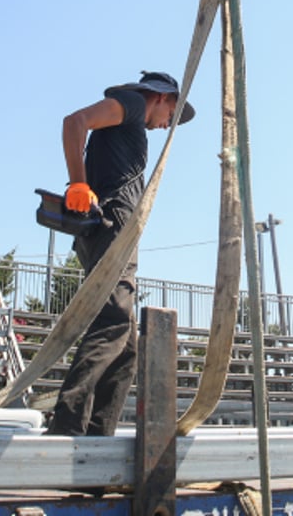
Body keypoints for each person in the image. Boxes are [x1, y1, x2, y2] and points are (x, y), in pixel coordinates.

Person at [45, 71, 195, 436]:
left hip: (114, 230)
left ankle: (98, 436)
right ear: (160, 96)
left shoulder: (132, 127)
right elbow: (74, 122)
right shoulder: (130, 104)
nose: (167, 125)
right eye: (171, 114)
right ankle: (67, 425)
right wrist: (78, 182)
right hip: (111, 226)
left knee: (127, 348)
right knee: (112, 319)